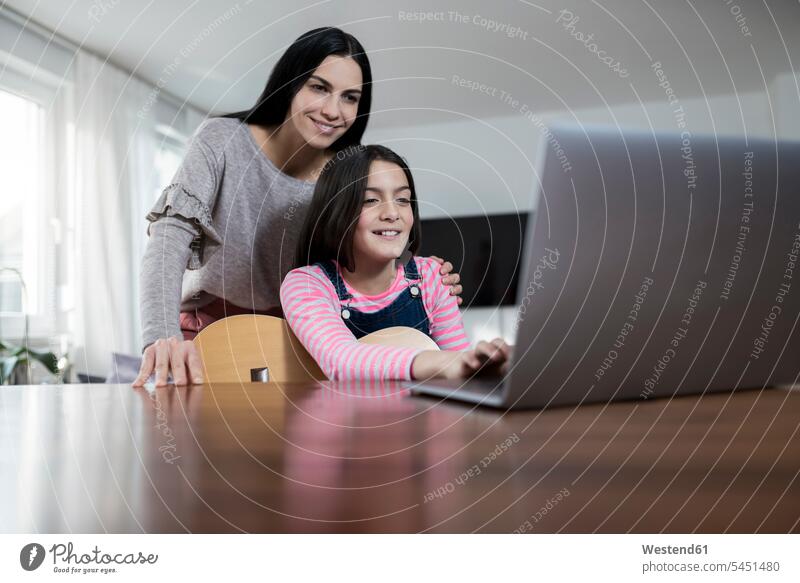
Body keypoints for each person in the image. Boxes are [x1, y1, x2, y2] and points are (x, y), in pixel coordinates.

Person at [134, 27, 462, 387]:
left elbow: (372, 249)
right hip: (207, 331)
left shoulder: (345, 174)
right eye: (319, 87)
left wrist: (427, 278)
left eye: (350, 98)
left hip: (300, 338)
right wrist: (161, 335)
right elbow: (169, 238)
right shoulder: (222, 140)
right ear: (290, 82)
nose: (333, 110)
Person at [280, 145, 511, 381]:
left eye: (402, 199)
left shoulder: (433, 276)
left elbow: (461, 365)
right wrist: (443, 361)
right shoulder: (306, 284)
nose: (392, 213)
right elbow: (342, 361)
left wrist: (484, 365)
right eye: (370, 199)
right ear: (336, 210)